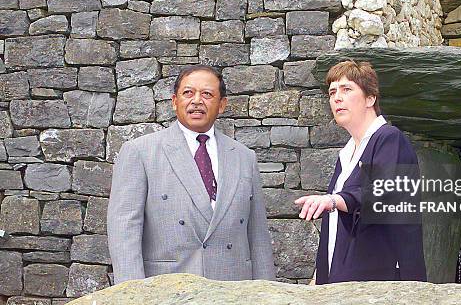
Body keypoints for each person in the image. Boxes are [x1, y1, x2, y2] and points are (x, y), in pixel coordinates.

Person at [108, 65, 275, 284]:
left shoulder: (244, 157)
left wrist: (266, 295)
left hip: (233, 292)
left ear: (222, 105)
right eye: (188, 93)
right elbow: (124, 229)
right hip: (166, 290)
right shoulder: (141, 152)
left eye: (207, 94)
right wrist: (132, 296)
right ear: (174, 101)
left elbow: (258, 236)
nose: (197, 100)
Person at [295, 60, 426, 284]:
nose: (337, 98)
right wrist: (321, 276)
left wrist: (333, 200)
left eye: (347, 89)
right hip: (345, 282)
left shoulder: (389, 139)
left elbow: (377, 194)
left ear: (370, 98)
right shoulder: (346, 155)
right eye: (332, 92)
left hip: (385, 281)